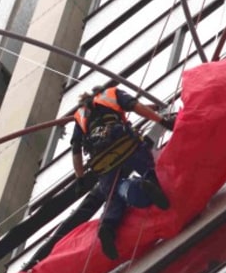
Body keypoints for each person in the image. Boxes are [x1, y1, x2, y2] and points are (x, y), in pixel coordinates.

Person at [71, 85, 174, 260]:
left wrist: (80, 179)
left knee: (112, 195)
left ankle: (108, 227)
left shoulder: (80, 116)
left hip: (102, 161)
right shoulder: (111, 94)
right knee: (147, 168)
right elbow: (136, 106)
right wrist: (163, 121)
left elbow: (76, 150)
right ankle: (146, 184)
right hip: (126, 144)